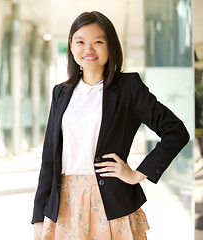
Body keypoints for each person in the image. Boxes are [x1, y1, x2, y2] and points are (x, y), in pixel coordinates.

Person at [32, 11, 189, 240]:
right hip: (65, 204)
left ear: (111, 46)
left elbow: (175, 131)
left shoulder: (128, 88)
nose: (89, 49)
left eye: (98, 42)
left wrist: (137, 174)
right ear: (71, 46)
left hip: (110, 204)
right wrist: (38, 216)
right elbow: (49, 156)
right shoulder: (61, 92)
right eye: (80, 42)